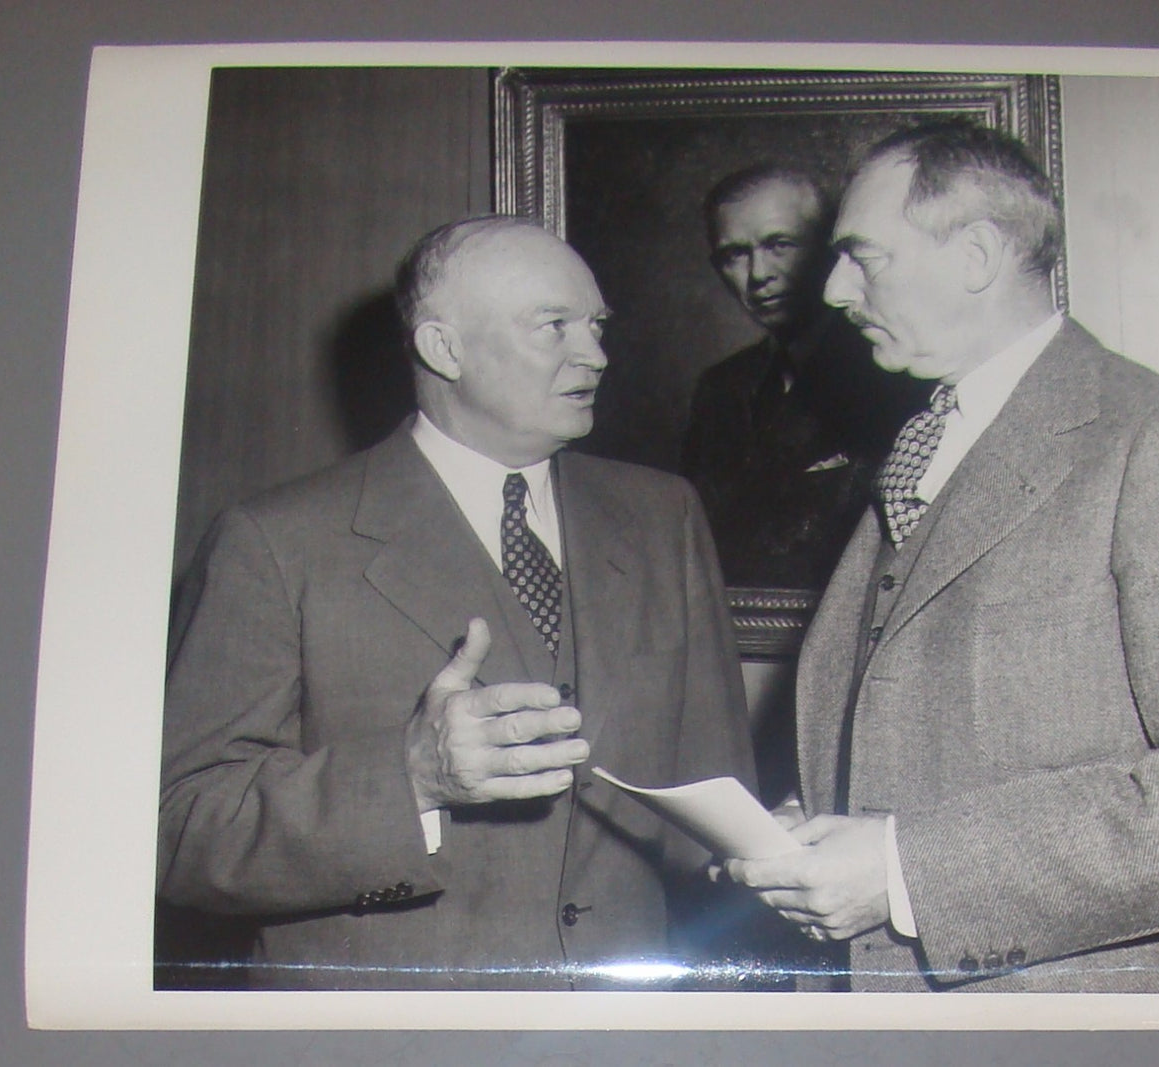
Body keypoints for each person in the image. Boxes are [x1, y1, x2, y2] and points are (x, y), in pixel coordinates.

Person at [725, 121, 1159, 992]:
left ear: (974, 255)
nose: (830, 290)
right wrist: (823, 832)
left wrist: (903, 870)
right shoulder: (923, 436)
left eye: (863, 256)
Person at [157, 215, 757, 991]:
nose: (597, 355)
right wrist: (411, 779)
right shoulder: (275, 541)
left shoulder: (662, 514)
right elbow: (179, 828)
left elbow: (713, 796)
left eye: (598, 326)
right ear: (444, 348)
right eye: (554, 327)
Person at [682, 164, 925, 591]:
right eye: (734, 254)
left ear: (830, 249)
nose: (758, 275)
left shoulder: (896, 376)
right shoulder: (720, 388)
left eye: (779, 245)